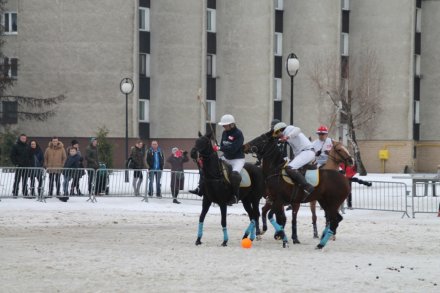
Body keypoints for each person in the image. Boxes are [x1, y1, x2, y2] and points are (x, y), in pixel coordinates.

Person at [272, 122, 315, 198]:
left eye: (277, 133)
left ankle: (307, 187)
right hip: (303, 153)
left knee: (289, 168)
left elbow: (298, 129)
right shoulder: (286, 135)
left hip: (307, 152)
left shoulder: (289, 129)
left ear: (280, 130)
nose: (277, 136)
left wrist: (287, 137)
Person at [218, 114, 245, 204]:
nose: (223, 126)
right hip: (226, 157)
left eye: (225, 125)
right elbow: (222, 145)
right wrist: (219, 147)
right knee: (212, 166)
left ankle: (235, 196)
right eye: (223, 125)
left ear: (232, 124)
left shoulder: (238, 133)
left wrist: (220, 148)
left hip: (237, 159)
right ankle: (200, 188)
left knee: (234, 176)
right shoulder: (224, 133)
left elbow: (234, 149)